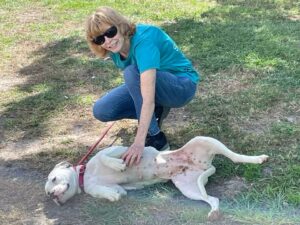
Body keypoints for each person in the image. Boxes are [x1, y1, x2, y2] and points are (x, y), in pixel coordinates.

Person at [85, 6, 200, 167]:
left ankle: (157, 138)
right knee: (102, 110)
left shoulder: (144, 40)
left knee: (131, 73)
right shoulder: (115, 49)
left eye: (110, 32)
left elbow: (146, 98)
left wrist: (139, 142)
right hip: (154, 84)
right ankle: (156, 112)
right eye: (100, 39)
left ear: (120, 25)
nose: (108, 41)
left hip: (181, 87)